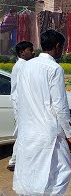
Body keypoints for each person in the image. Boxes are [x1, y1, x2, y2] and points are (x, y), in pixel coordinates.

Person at [13, 29, 71, 196]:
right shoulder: (54, 68)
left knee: (31, 169)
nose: (62, 51)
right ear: (57, 46)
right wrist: (70, 135)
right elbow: (60, 105)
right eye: (62, 48)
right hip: (48, 130)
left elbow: (19, 98)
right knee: (62, 169)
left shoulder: (25, 66)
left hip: (28, 130)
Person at [7, 41, 35, 171]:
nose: (33, 52)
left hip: (22, 104)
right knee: (23, 133)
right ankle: (14, 160)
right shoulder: (22, 66)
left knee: (24, 133)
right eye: (30, 49)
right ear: (22, 52)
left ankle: (17, 159)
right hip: (22, 105)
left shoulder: (23, 65)